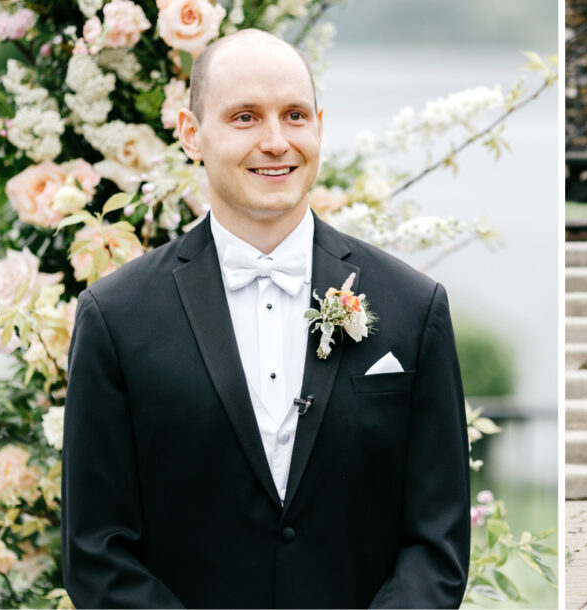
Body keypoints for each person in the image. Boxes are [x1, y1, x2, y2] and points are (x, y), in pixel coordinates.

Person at [61, 29, 470, 608]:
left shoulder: (414, 304)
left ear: (320, 127)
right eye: (246, 117)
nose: (276, 142)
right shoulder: (115, 317)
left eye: (295, 115)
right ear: (191, 134)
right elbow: (96, 552)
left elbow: (437, 541)